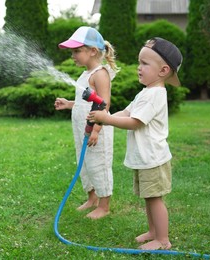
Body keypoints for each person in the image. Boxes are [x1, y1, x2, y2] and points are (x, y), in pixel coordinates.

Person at [88, 37, 183, 249]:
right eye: (139, 62)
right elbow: (127, 112)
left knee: (155, 199)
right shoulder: (145, 92)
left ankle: (163, 239)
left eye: (145, 64)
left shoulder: (155, 95)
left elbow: (134, 122)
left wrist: (106, 119)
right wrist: (105, 116)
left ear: (163, 70)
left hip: (153, 158)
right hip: (145, 157)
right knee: (149, 198)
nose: (139, 68)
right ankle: (153, 231)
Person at [54, 26, 119, 219]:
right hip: (83, 130)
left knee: (98, 165)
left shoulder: (100, 74)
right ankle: (92, 199)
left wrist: (97, 130)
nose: (72, 55)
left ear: (92, 51)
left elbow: (104, 104)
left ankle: (104, 205)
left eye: (76, 51)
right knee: (85, 165)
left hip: (96, 131)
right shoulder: (84, 74)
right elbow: (86, 103)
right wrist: (69, 104)